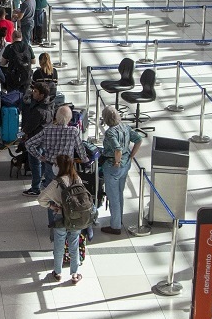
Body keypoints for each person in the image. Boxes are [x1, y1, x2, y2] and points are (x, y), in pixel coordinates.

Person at [39, 154, 91, 284]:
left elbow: (41, 199)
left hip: (60, 216)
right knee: (74, 244)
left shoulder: (56, 183)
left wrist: (52, 206)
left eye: (56, 164)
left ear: (59, 167)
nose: (54, 166)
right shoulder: (77, 178)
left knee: (59, 245)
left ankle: (57, 273)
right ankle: (74, 274)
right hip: (76, 217)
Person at [99, 106, 145, 235]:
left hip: (113, 166)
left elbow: (117, 149)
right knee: (120, 192)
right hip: (127, 163)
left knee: (113, 195)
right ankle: (119, 220)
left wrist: (117, 162)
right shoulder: (125, 127)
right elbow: (139, 139)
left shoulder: (110, 132)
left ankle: (115, 226)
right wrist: (131, 156)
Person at [24, 106, 88, 197]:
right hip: (67, 167)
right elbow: (80, 149)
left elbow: (29, 144)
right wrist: (85, 160)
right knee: (67, 193)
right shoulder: (73, 131)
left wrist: (40, 157)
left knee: (52, 195)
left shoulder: (47, 130)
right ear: (69, 119)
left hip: (51, 165)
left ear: (56, 117)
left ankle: (53, 210)